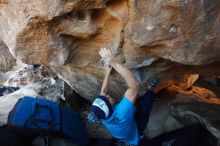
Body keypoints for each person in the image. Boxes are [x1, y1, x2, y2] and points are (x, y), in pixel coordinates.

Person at [87, 48, 160, 146]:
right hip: (136, 132)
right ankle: (150, 89)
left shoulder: (102, 115)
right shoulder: (122, 113)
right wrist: (114, 63)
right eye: (107, 99)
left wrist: (107, 72)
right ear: (111, 107)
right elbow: (135, 86)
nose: (107, 95)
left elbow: (103, 92)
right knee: (144, 108)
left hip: (124, 131)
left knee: (134, 108)